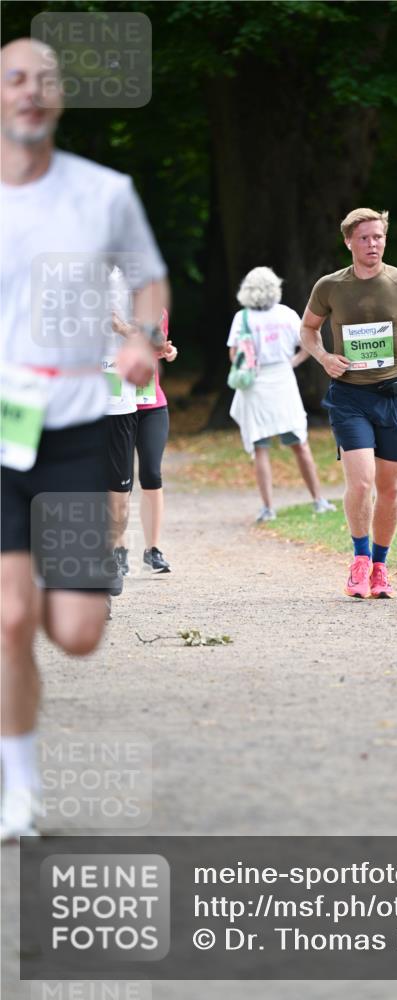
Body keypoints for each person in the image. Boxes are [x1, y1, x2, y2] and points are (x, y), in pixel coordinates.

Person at [0, 38, 167, 839]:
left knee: (74, 633)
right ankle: (19, 793)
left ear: (61, 98)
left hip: (69, 430)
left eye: (45, 81)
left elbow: (148, 276)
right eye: (14, 79)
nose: (30, 93)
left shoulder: (104, 193)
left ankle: (43, 601)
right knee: (5, 619)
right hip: (1, 433)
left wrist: (139, 336)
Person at [300, 207, 397, 599]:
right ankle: (360, 558)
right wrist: (325, 358)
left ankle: (381, 566)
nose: (372, 244)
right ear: (348, 241)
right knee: (361, 481)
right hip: (350, 397)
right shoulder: (330, 286)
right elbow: (308, 330)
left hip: (394, 396)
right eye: (364, 237)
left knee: (390, 487)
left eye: (378, 237)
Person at [228, 267, 336, 523]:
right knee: (299, 442)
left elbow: (234, 355)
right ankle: (318, 499)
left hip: (255, 383)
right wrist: (294, 361)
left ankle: (268, 507)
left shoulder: (242, 318)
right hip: (283, 380)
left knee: (260, 446)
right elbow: (309, 341)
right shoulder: (286, 314)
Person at [110, 305, 177, 574]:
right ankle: (119, 548)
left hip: (151, 403)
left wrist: (169, 351)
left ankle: (153, 550)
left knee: (151, 472)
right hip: (116, 405)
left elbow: (157, 347)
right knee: (118, 482)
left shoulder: (157, 309)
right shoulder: (105, 306)